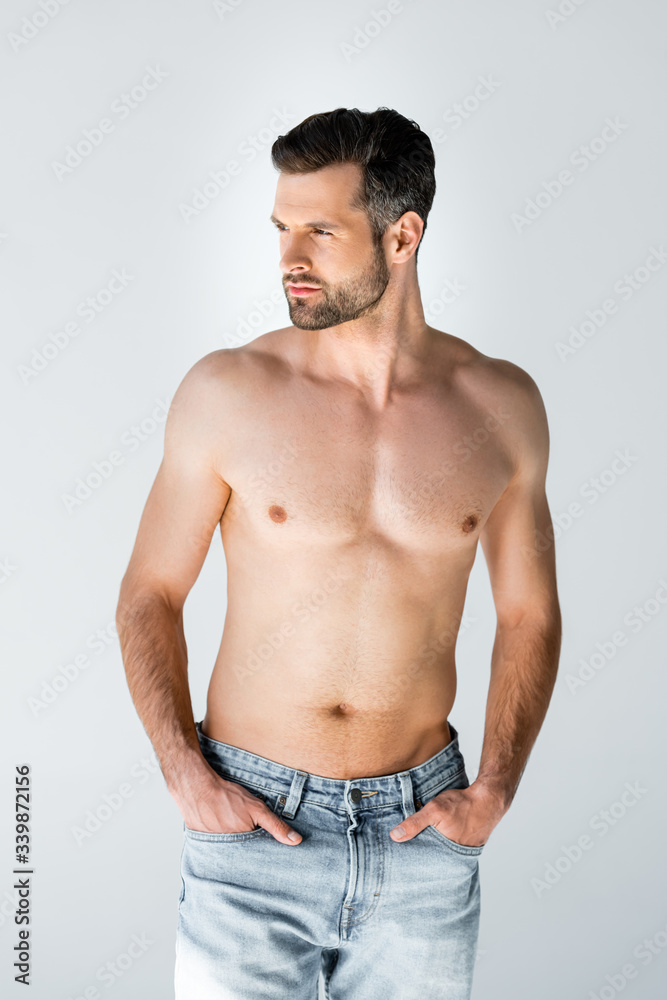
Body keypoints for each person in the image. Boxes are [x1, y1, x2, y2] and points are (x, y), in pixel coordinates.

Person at [116, 106, 562, 1000]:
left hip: (422, 835)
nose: (290, 258)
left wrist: (493, 792)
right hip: (250, 828)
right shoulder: (228, 392)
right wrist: (184, 774)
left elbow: (529, 613)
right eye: (282, 228)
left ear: (403, 236)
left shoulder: (500, 407)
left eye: (320, 231)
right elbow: (149, 593)